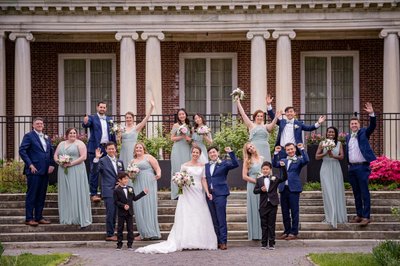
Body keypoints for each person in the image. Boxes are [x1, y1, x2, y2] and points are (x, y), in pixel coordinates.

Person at [135, 146, 217, 253]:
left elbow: (203, 180)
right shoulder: (184, 165)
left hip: (198, 192)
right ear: (191, 153)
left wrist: (207, 192)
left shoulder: (202, 166)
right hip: (187, 193)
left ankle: (200, 241)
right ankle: (186, 240)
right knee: (187, 215)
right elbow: (180, 180)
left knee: (200, 214)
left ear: (200, 154)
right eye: (194, 152)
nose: (195, 154)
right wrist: (180, 193)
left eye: (197, 152)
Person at [19, 117, 55, 226]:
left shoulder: (46, 137)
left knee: (41, 195)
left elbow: (50, 152)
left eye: (41, 123)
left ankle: (39, 217)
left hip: (45, 171)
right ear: (33, 125)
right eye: (37, 123)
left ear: (43, 125)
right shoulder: (29, 136)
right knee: (32, 194)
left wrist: (52, 164)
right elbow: (22, 150)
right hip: (33, 170)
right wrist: (30, 164)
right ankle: (29, 218)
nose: (40, 125)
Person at [54, 128, 92, 228]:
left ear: (77, 134)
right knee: (66, 192)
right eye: (70, 133)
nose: (72, 134)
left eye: (74, 133)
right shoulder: (61, 144)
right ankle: (67, 217)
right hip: (63, 170)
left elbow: (84, 157)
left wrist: (70, 164)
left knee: (76, 191)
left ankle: (78, 217)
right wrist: (60, 162)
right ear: (67, 134)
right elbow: (55, 156)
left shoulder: (80, 143)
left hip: (77, 169)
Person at [346, 102, 376, 226]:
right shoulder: (348, 137)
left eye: (355, 123)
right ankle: (359, 214)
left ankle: (366, 216)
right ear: (350, 126)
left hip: (362, 167)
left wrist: (372, 114)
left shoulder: (364, 132)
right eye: (352, 124)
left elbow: (372, 126)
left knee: (364, 192)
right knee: (356, 192)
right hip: (352, 167)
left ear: (359, 125)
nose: (354, 125)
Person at [272, 143, 309, 240]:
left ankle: (294, 232)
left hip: (294, 188)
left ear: (295, 149)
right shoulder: (283, 160)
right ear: (286, 151)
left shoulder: (299, 160)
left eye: (292, 149)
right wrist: (276, 152)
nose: (290, 151)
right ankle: (286, 231)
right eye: (288, 150)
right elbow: (274, 164)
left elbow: (306, 160)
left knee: (294, 211)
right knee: (285, 211)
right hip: (283, 188)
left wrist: (302, 149)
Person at [205, 146, 239, 250]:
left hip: (221, 194)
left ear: (218, 153)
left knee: (221, 218)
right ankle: (217, 241)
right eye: (210, 153)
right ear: (208, 155)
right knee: (214, 220)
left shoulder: (223, 163)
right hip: (210, 195)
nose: (212, 154)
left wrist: (231, 152)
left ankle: (223, 241)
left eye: (214, 152)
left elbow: (235, 164)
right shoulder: (206, 166)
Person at [82, 101, 116, 202]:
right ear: (97, 108)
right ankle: (93, 193)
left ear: (106, 109)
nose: (102, 109)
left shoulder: (110, 119)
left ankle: (107, 192)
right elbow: (86, 124)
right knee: (94, 171)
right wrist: (85, 122)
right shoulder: (92, 118)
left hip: (107, 148)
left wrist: (114, 147)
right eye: (101, 107)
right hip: (95, 148)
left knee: (108, 170)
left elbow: (112, 134)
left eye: (104, 107)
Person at [315, 126, 347, 228]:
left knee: (337, 191)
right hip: (325, 168)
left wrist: (334, 156)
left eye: (332, 132)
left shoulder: (339, 143)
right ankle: (329, 216)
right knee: (328, 192)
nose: (331, 134)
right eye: (329, 132)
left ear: (335, 134)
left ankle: (337, 216)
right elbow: (316, 157)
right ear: (326, 133)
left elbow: (342, 156)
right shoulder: (322, 143)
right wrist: (325, 153)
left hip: (336, 168)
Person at [92, 142, 124, 241]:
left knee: (119, 213)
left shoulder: (120, 161)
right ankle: (110, 234)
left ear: (115, 149)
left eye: (113, 148)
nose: (111, 150)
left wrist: (121, 183)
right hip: (108, 190)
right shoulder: (102, 161)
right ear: (106, 150)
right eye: (109, 149)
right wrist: (96, 159)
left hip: (119, 190)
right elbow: (95, 171)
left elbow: (122, 175)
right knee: (111, 213)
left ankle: (117, 232)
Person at [129, 142, 162, 241]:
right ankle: (143, 232)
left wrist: (158, 174)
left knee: (149, 205)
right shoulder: (132, 161)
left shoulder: (148, 157)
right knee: (139, 205)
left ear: (144, 149)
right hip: (138, 183)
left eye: (140, 147)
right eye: (137, 148)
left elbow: (157, 168)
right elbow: (130, 176)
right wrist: (132, 173)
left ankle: (151, 231)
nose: (138, 149)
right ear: (134, 150)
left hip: (149, 182)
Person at [254, 161, 287, 250]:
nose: (265, 170)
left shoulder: (275, 178)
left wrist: (283, 167)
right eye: (263, 169)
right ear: (261, 170)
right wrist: (261, 189)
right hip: (263, 205)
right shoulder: (259, 179)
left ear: (270, 170)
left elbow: (284, 178)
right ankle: (264, 243)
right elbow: (255, 191)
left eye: (267, 169)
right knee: (263, 224)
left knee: (271, 224)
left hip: (273, 204)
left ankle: (271, 243)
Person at [236, 97, 280, 163]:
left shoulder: (266, 126)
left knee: (265, 164)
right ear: (255, 117)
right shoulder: (251, 125)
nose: (260, 117)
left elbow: (272, 125)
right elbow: (243, 114)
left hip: (265, 147)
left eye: (261, 116)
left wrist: (276, 117)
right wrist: (238, 102)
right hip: (255, 147)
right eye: (258, 116)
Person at [114, 172, 148, 250]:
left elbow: (134, 198)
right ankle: (119, 245)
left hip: (129, 212)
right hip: (121, 213)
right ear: (119, 180)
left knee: (130, 229)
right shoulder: (116, 190)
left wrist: (143, 193)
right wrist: (123, 205)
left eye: (127, 178)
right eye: (124, 179)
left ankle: (130, 245)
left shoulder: (130, 188)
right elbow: (116, 202)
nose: (126, 180)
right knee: (120, 228)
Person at [119, 99, 155, 167]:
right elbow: (118, 141)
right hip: (124, 149)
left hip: (133, 149)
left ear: (133, 119)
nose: (128, 119)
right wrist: (118, 135)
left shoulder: (136, 128)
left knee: (133, 166)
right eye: (127, 118)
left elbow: (145, 119)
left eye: (130, 117)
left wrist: (151, 108)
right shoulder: (122, 128)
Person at [242, 142, 263, 240]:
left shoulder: (262, 158)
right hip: (252, 185)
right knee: (254, 208)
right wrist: (256, 181)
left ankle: (263, 233)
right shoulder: (247, 160)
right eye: (248, 148)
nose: (250, 148)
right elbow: (244, 176)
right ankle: (255, 234)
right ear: (247, 151)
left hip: (262, 186)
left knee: (262, 208)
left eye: (251, 146)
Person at [170, 108, 192, 199]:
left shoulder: (190, 126)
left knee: (186, 170)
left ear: (185, 115)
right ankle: (178, 193)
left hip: (186, 148)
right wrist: (181, 136)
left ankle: (187, 193)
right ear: (178, 116)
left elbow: (191, 139)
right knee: (177, 169)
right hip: (177, 149)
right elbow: (172, 138)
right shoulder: (175, 125)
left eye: (183, 114)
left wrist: (188, 138)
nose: (182, 116)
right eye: (180, 114)